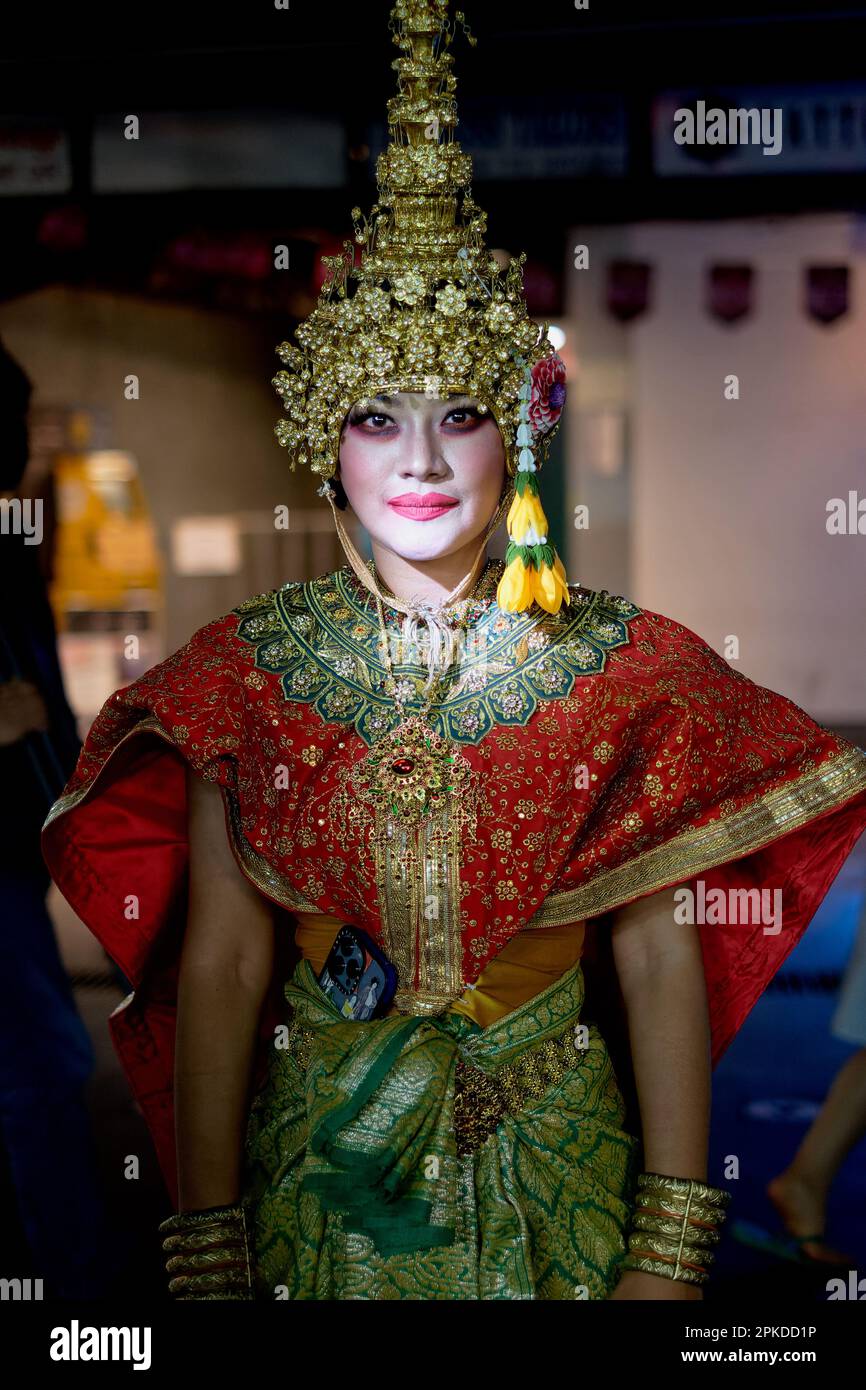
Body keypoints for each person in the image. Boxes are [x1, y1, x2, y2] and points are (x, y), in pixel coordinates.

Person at [42, 0, 866, 1301]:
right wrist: (205, 1234)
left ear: (514, 439)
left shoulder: (622, 670)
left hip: (562, 1174)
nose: (420, 459)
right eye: (378, 416)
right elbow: (225, 958)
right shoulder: (238, 676)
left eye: (461, 415)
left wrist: (667, 1245)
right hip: (326, 1183)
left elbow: (654, 952)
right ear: (329, 441)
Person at [0, 337, 112, 1298]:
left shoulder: (7, 549)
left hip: (15, 857)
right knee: (39, 1068)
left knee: (41, 1067)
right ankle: (74, 1296)